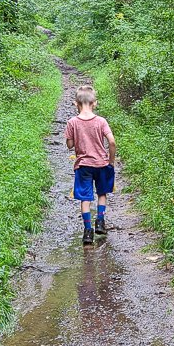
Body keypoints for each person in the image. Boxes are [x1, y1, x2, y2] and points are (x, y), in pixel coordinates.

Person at [65, 84, 116, 246]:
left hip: (83, 165)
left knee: (85, 198)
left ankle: (88, 232)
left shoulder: (72, 122)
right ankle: (100, 221)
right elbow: (112, 142)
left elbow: (70, 145)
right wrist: (111, 162)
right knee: (102, 193)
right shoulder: (101, 121)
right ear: (95, 103)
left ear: (76, 104)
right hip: (101, 163)